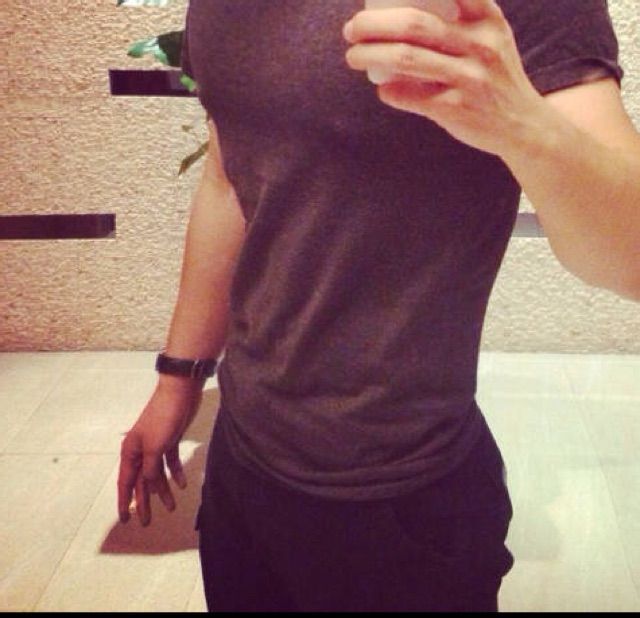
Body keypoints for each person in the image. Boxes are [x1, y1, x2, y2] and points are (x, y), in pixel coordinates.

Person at [117, 0, 639, 612]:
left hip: (409, 491)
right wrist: (178, 379)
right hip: (244, 461)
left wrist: (521, 124)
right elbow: (228, 178)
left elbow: (630, 262)